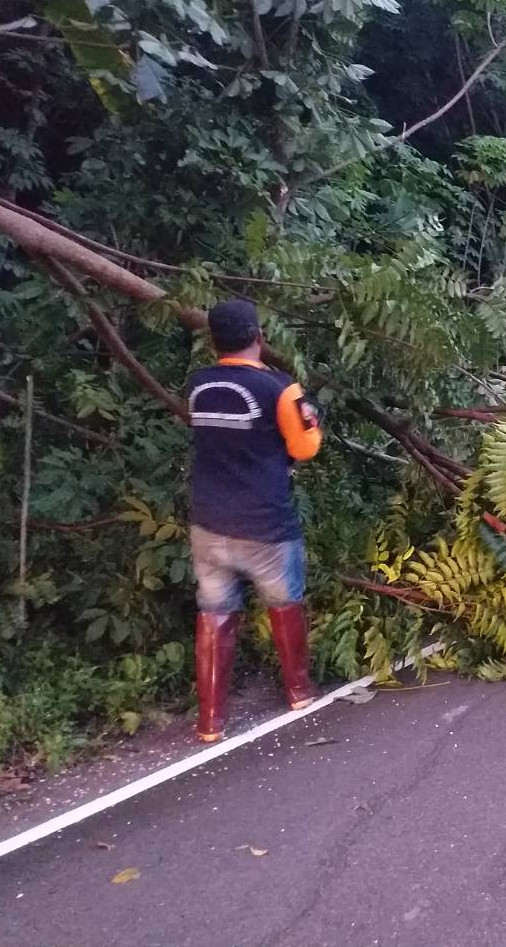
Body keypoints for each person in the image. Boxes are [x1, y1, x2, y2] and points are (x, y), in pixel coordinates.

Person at [186, 299, 322, 742]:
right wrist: (312, 422)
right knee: (285, 603)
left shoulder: (198, 385)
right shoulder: (281, 390)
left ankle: (210, 722)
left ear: (212, 341)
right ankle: (300, 691)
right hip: (265, 526)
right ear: (259, 338)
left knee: (214, 614)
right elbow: (304, 449)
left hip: (208, 525)